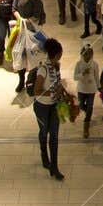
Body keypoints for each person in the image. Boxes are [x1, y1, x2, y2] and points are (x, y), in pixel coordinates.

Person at [32, 38, 67, 178]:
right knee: (43, 132)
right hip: (41, 106)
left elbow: (57, 83)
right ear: (57, 54)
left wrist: (61, 91)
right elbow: (36, 90)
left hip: (54, 105)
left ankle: (54, 167)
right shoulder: (43, 69)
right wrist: (53, 92)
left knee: (54, 135)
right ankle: (43, 154)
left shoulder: (56, 67)